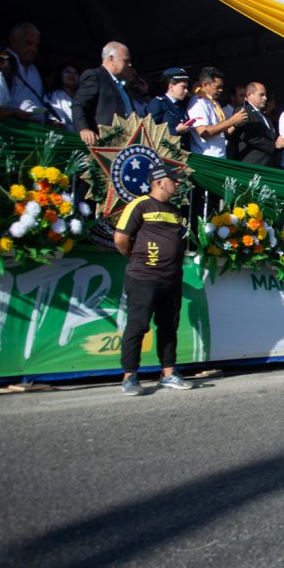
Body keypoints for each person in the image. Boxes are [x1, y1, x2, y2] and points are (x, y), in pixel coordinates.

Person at [113, 163, 194, 396]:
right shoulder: (139, 204)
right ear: (159, 182)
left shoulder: (175, 210)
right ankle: (130, 376)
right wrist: (139, 258)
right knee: (138, 326)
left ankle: (168, 373)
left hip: (171, 279)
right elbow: (120, 239)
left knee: (169, 327)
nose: (178, 184)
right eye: (174, 180)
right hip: (143, 277)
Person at [74, 41, 135, 145]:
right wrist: (84, 129)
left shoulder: (120, 84)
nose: (130, 64)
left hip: (127, 143)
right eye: (126, 60)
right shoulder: (95, 76)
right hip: (106, 142)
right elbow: (79, 104)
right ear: (111, 59)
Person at [187, 66, 248, 158]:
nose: (221, 90)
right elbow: (204, 132)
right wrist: (231, 121)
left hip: (220, 156)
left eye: (222, 87)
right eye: (217, 87)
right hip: (206, 158)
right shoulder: (198, 102)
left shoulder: (215, 103)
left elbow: (223, 131)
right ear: (205, 85)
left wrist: (237, 122)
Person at [231, 81, 284, 167]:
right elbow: (248, 136)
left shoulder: (264, 116)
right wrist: (274, 145)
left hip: (267, 165)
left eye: (265, 95)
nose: (265, 98)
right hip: (251, 165)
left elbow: (271, 138)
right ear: (249, 95)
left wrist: (280, 143)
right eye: (261, 95)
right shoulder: (242, 111)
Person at [5, 23, 48, 123]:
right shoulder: (3, 63)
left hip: (34, 131)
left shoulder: (35, 70)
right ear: (13, 40)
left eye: (36, 45)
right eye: (29, 43)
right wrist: (15, 113)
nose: (33, 49)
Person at [147, 67, 193, 150]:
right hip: (165, 154)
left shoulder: (181, 105)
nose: (186, 91)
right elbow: (150, 130)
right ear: (171, 87)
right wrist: (176, 130)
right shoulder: (158, 103)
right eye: (183, 87)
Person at [44, 63, 79, 131]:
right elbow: (56, 122)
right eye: (67, 72)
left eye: (75, 73)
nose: (71, 75)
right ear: (60, 75)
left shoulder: (83, 97)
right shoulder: (53, 95)